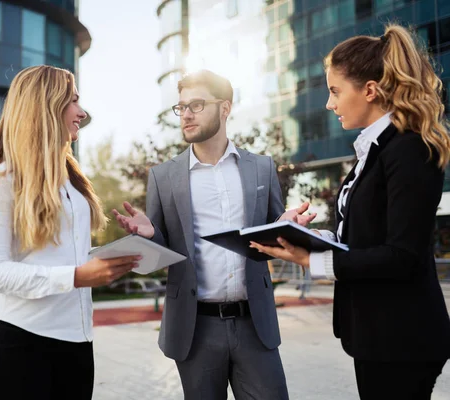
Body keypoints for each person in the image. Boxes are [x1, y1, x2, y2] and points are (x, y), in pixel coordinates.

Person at [250, 24, 450, 400]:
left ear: (370, 90)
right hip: (376, 336)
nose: (330, 103)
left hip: (403, 340)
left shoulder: (408, 149)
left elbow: (402, 256)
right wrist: (311, 237)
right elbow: (361, 238)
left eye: (335, 91)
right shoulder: (373, 150)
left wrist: (313, 261)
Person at [113, 69, 313, 399]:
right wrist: (149, 236)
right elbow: (161, 257)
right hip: (195, 329)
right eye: (181, 107)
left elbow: (274, 234)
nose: (186, 115)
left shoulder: (261, 168)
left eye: (196, 104)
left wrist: (288, 227)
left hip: (255, 325)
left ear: (225, 108)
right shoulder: (163, 177)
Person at [0, 65, 140, 400]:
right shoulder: (1, 180)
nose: (82, 113)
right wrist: (75, 276)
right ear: (47, 106)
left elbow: (69, 257)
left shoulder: (72, 181)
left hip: (78, 344)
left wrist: (135, 244)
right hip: (21, 345)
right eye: (73, 101)